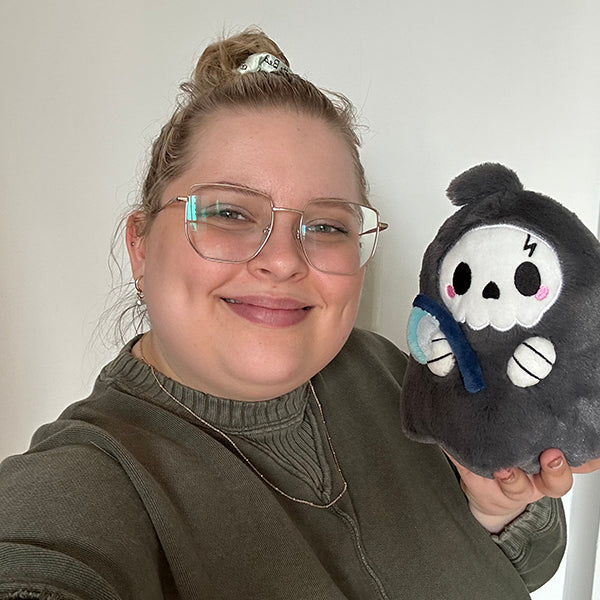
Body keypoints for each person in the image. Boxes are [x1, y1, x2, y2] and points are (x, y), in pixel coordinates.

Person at [0, 27, 598, 600]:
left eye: (328, 225)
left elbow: (528, 567)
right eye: (230, 213)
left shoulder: (395, 374)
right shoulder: (89, 477)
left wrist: (496, 508)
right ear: (139, 246)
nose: (284, 260)